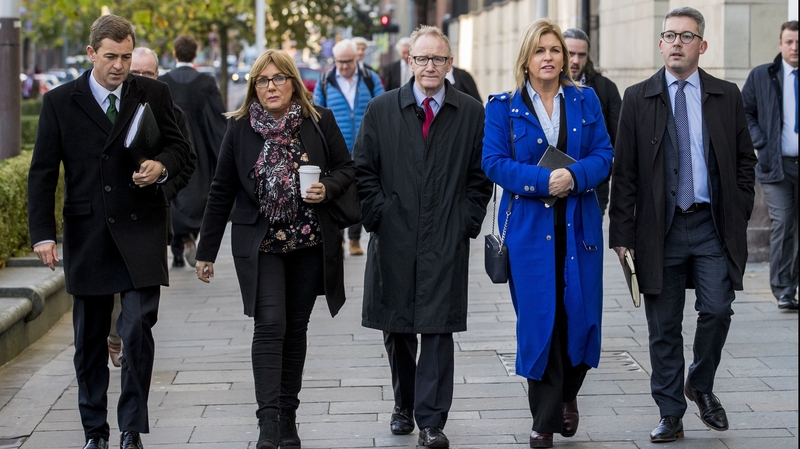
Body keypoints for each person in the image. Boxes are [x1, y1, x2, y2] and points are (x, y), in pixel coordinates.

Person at [27, 14, 191, 449]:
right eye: (110, 57)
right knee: (88, 340)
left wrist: (161, 168)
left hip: (142, 230)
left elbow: (181, 151)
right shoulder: (61, 101)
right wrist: (42, 234)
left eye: (125, 56)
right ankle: (94, 432)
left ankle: (131, 428)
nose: (119, 66)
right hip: (89, 233)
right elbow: (42, 173)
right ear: (91, 54)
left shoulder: (153, 92)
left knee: (136, 329)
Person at [608, 6, 757, 443]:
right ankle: (670, 412)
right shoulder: (638, 97)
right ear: (660, 44)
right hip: (659, 232)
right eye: (669, 35)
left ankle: (700, 382)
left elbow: (745, 162)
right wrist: (621, 236)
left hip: (711, 226)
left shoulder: (726, 94)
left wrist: (739, 210)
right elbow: (625, 173)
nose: (676, 43)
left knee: (717, 309)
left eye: (686, 36)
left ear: (702, 46)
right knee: (664, 326)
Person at [194, 49, 356, 449]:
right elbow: (221, 191)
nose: (271, 86)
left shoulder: (319, 121)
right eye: (262, 80)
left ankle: (288, 417)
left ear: (293, 82)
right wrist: (205, 251)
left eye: (278, 78)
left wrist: (327, 188)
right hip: (261, 243)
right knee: (270, 325)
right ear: (254, 87)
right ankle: (268, 422)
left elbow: (347, 169)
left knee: (296, 330)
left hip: (308, 241)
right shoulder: (239, 128)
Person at [353, 25, 492, 448]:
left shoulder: (469, 111)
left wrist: (466, 220)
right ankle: (404, 403)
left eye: (438, 59)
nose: (430, 66)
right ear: (409, 62)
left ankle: (432, 421)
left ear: (450, 64)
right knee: (397, 328)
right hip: (394, 235)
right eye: (422, 59)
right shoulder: (381, 109)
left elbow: (480, 174)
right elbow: (363, 169)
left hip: (445, 235)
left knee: (437, 329)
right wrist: (379, 213)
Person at [482, 19, 613, 449]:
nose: (549, 57)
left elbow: (604, 154)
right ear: (526, 57)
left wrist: (572, 177)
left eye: (555, 50)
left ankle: (568, 394)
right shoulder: (503, 106)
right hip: (529, 232)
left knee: (582, 316)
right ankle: (543, 420)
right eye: (540, 50)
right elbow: (494, 162)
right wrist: (543, 182)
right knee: (541, 321)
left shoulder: (585, 99)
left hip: (579, 227)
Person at [101, 47, 198, 370]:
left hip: (149, 219)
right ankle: (118, 338)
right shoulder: (107, 109)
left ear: (159, 75)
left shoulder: (167, 108)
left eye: (149, 74)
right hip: (109, 221)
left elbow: (186, 158)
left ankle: (130, 340)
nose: (142, 78)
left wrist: (163, 185)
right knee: (114, 294)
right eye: (136, 73)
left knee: (142, 304)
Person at [742, 21, 798, 310]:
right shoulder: (762, 75)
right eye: (789, 41)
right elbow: (745, 110)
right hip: (776, 165)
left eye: (798, 42)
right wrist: (760, 142)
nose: (795, 47)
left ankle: (791, 283)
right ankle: (783, 290)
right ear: (780, 43)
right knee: (785, 222)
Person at [159, 35, 227, 268]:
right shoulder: (206, 84)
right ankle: (188, 238)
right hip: (199, 150)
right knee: (196, 196)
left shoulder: (162, 83)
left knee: (173, 195)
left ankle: (179, 246)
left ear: (175, 54)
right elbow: (217, 122)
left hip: (169, 149)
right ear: (195, 53)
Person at [313, 39, 384, 255]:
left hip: (364, 145)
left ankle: (354, 239)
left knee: (359, 191)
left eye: (348, 61)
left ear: (356, 58)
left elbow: (382, 107)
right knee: (337, 191)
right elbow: (316, 111)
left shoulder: (370, 78)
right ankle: (339, 239)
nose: (343, 66)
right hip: (335, 146)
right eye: (339, 62)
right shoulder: (325, 80)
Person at [562, 27, 622, 216]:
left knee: (587, 242)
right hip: (552, 181)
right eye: (570, 54)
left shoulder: (605, 89)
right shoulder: (545, 88)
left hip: (594, 184)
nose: (575, 61)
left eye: (582, 55)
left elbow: (619, 139)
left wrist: (604, 173)